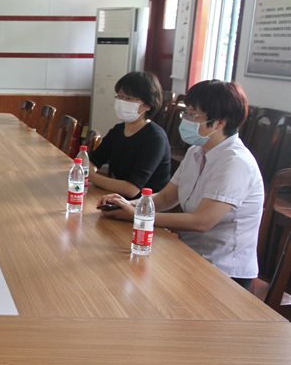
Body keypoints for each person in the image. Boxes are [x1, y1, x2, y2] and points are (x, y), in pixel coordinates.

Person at [100, 80, 264, 290]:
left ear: (219, 122)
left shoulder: (235, 163)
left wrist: (137, 215)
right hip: (189, 254)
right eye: (185, 113)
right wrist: (128, 204)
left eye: (193, 115)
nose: (186, 120)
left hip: (223, 272)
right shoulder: (196, 151)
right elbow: (166, 198)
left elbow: (201, 221)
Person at [88, 71, 171, 198]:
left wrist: (92, 177)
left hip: (145, 205)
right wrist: (89, 169)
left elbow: (131, 189)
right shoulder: (118, 130)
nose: (122, 102)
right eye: (119, 96)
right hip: (120, 199)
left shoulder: (155, 138)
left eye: (128, 98)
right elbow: (94, 160)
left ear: (148, 105)